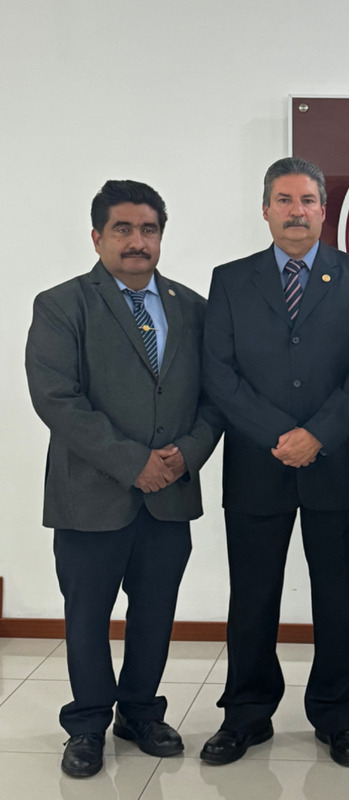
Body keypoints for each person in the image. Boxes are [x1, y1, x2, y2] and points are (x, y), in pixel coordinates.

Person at [25, 180, 220, 778]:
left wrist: (187, 454)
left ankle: (139, 713)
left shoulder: (193, 308)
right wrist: (134, 462)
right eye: (123, 229)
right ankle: (87, 724)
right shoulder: (62, 304)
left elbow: (216, 398)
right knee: (87, 615)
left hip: (170, 494)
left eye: (148, 229)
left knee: (155, 612)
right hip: (91, 494)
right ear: (97, 237)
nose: (138, 241)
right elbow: (57, 399)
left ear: (161, 236)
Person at [201, 157, 349, 767]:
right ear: (265, 210)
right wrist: (281, 434)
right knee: (252, 597)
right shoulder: (230, 280)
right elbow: (219, 373)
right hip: (258, 461)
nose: (296, 211)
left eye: (307, 200)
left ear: (324, 210)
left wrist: (317, 435)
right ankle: (246, 714)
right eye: (284, 200)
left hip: (338, 462)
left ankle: (337, 715)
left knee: (339, 597)